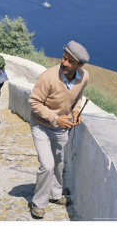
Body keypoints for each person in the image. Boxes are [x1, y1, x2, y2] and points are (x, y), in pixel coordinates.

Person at [28, 40, 90, 219]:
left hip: (61, 128)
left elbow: (77, 97)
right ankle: (39, 203)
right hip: (41, 125)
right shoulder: (47, 77)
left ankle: (55, 195)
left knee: (58, 163)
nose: (65, 63)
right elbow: (33, 102)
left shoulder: (84, 77)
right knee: (47, 165)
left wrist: (76, 112)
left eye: (70, 61)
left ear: (79, 65)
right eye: (64, 58)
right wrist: (56, 119)